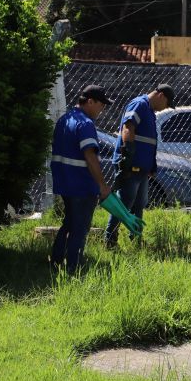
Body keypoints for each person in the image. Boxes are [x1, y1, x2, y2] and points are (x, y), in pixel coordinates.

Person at [50, 85, 113, 274]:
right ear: (90, 101)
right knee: (80, 227)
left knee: (69, 223)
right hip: (82, 185)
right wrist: (102, 185)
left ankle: (56, 262)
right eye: (101, 105)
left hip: (65, 183)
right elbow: (90, 156)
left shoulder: (65, 119)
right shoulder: (85, 124)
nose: (102, 111)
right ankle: (73, 268)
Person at [104, 83, 175, 248]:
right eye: (167, 104)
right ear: (161, 96)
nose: (164, 108)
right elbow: (128, 128)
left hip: (142, 168)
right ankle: (110, 240)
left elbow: (149, 142)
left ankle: (135, 237)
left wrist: (151, 166)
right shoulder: (140, 104)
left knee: (140, 203)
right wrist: (127, 158)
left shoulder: (150, 111)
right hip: (131, 165)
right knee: (125, 203)